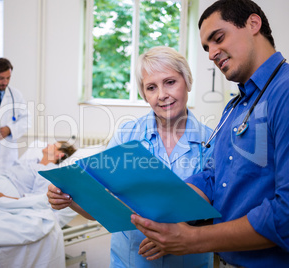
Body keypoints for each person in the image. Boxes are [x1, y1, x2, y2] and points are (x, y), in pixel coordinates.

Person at [130, 1, 289, 267]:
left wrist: (192, 239)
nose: (212, 54)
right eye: (206, 47)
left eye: (218, 38)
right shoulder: (235, 108)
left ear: (253, 24)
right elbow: (213, 179)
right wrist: (168, 212)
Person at [47, 46, 215, 267]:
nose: (162, 94)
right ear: (144, 94)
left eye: (170, 82)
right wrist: (68, 199)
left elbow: (220, 212)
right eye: (151, 87)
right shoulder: (126, 136)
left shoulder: (211, 141)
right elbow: (102, 209)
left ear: (188, 81)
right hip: (132, 260)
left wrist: (177, 235)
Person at [0, 141, 76, 200]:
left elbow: (36, 198)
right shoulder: (32, 161)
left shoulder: (49, 171)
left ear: (59, 154)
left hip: (6, 190)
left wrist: (4, 197)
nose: (48, 144)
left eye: (54, 145)